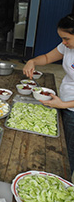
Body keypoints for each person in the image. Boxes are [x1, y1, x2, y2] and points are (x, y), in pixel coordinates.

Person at [23, 13, 74, 174]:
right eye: (62, 39)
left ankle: (63, 179)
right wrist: (32, 61)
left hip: (71, 108)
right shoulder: (66, 47)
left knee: (67, 152)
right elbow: (46, 58)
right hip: (62, 100)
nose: (63, 43)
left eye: (67, 39)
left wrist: (64, 105)